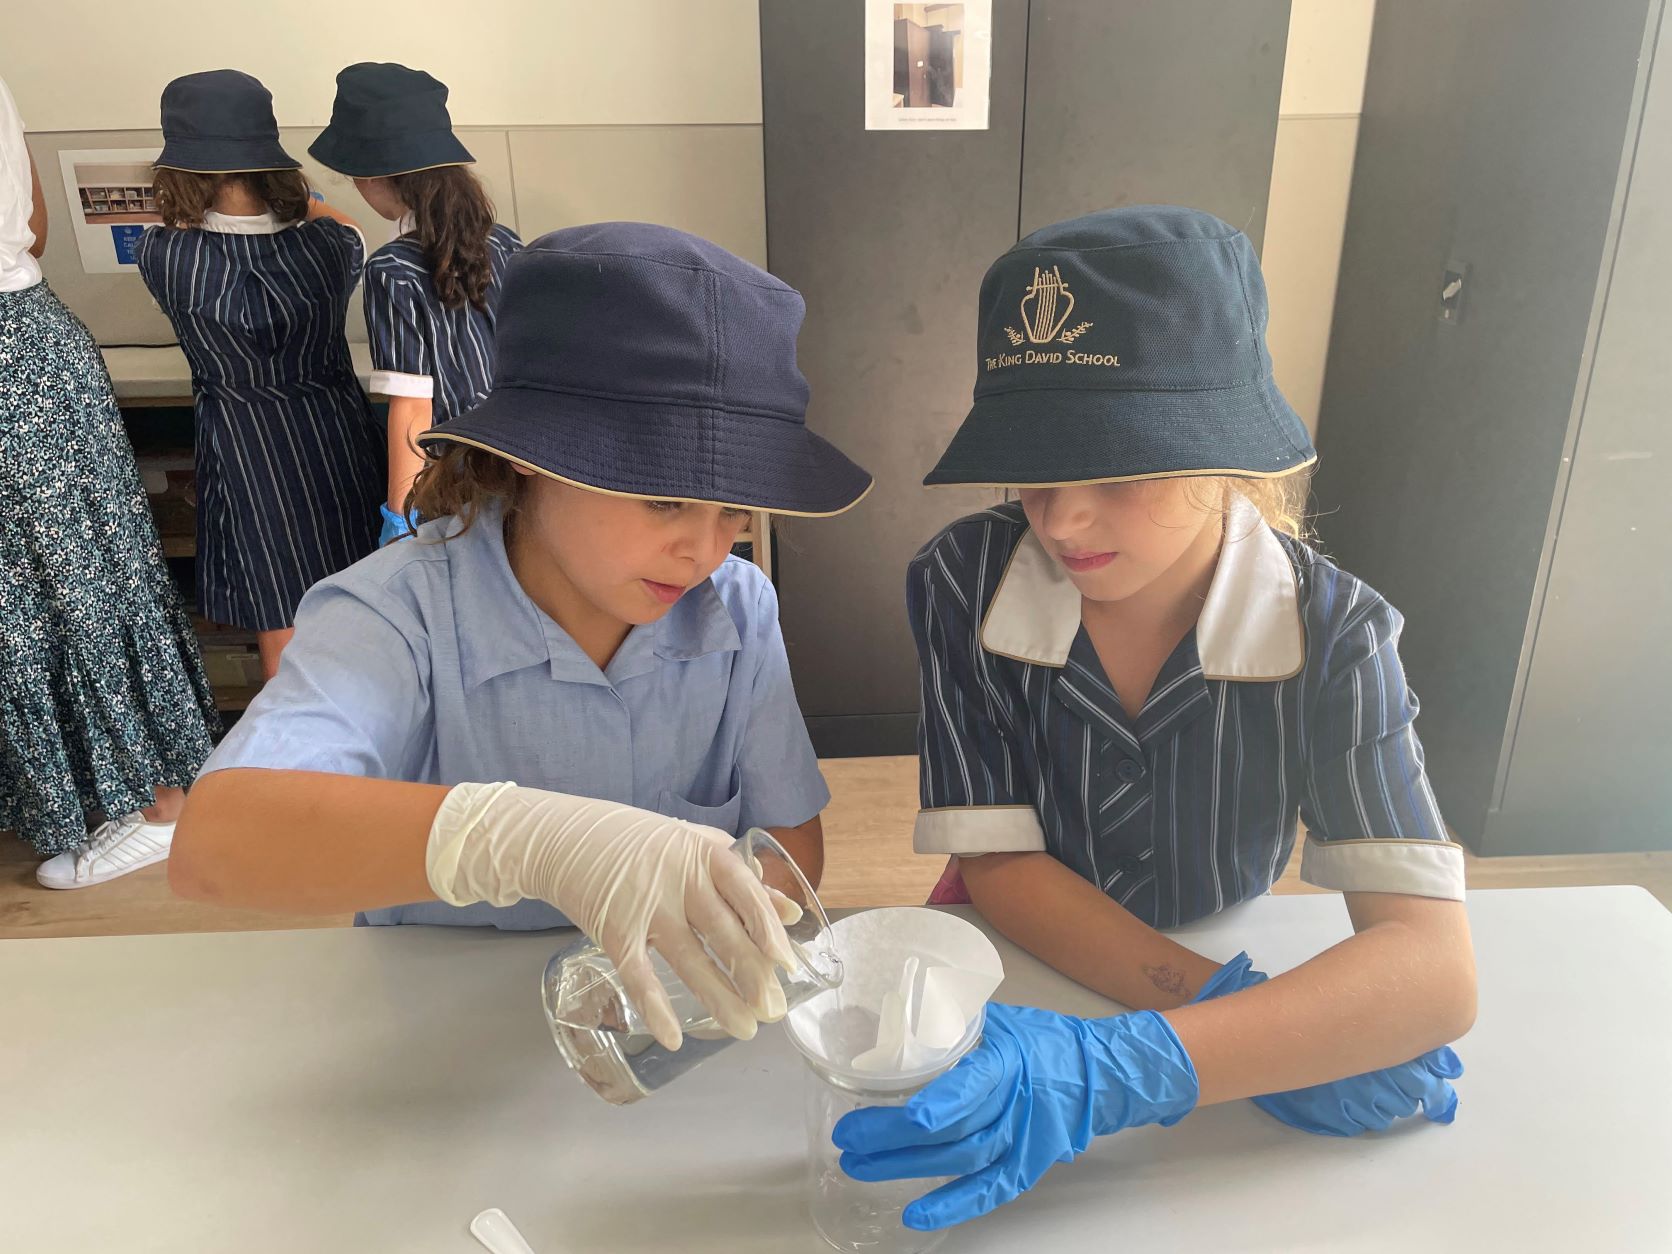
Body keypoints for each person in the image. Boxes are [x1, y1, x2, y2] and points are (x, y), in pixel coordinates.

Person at [835, 206, 1475, 1231]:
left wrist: (1168, 1048)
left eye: (1123, 472)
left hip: (1225, 919)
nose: (1064, 518)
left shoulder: (1336, 629)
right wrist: (1222, 1022)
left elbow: (1433, 967)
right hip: (1023, 952)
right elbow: (1000, 865)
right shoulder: (961, 580)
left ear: (1228, 456)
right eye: (1035, 468)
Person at [169, 222, 872, 1049]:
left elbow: (790, 853)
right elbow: (217, 843)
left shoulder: (738, 609)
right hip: (434, 1037)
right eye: (665, 499)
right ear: (539, 455)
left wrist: (722, 916)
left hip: (662, 1029)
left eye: (734, 513)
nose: (704, 548)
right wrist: (529, 843)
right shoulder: (400, 613)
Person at [0, 73, 219, 886]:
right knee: (80, 578)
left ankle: (160, 806)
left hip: (13, 358)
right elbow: (36, 227)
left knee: (58, 587)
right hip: (33, 335)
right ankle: (125, 798)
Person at [134, 70, 383, 679]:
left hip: (247, 450)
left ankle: (293, 763)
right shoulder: (333, 245)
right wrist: (295, 198)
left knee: (283, 627)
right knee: (368, 606)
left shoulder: (161, 253)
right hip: (336, 439)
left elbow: (182, 228)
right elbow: (343, 222)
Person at [309, 62, 523, 546]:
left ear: (372, 177)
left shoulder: (392, 269)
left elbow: (411, 410)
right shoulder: (507, 243)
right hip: (523, 465)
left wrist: (400, 515)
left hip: (457, 480)